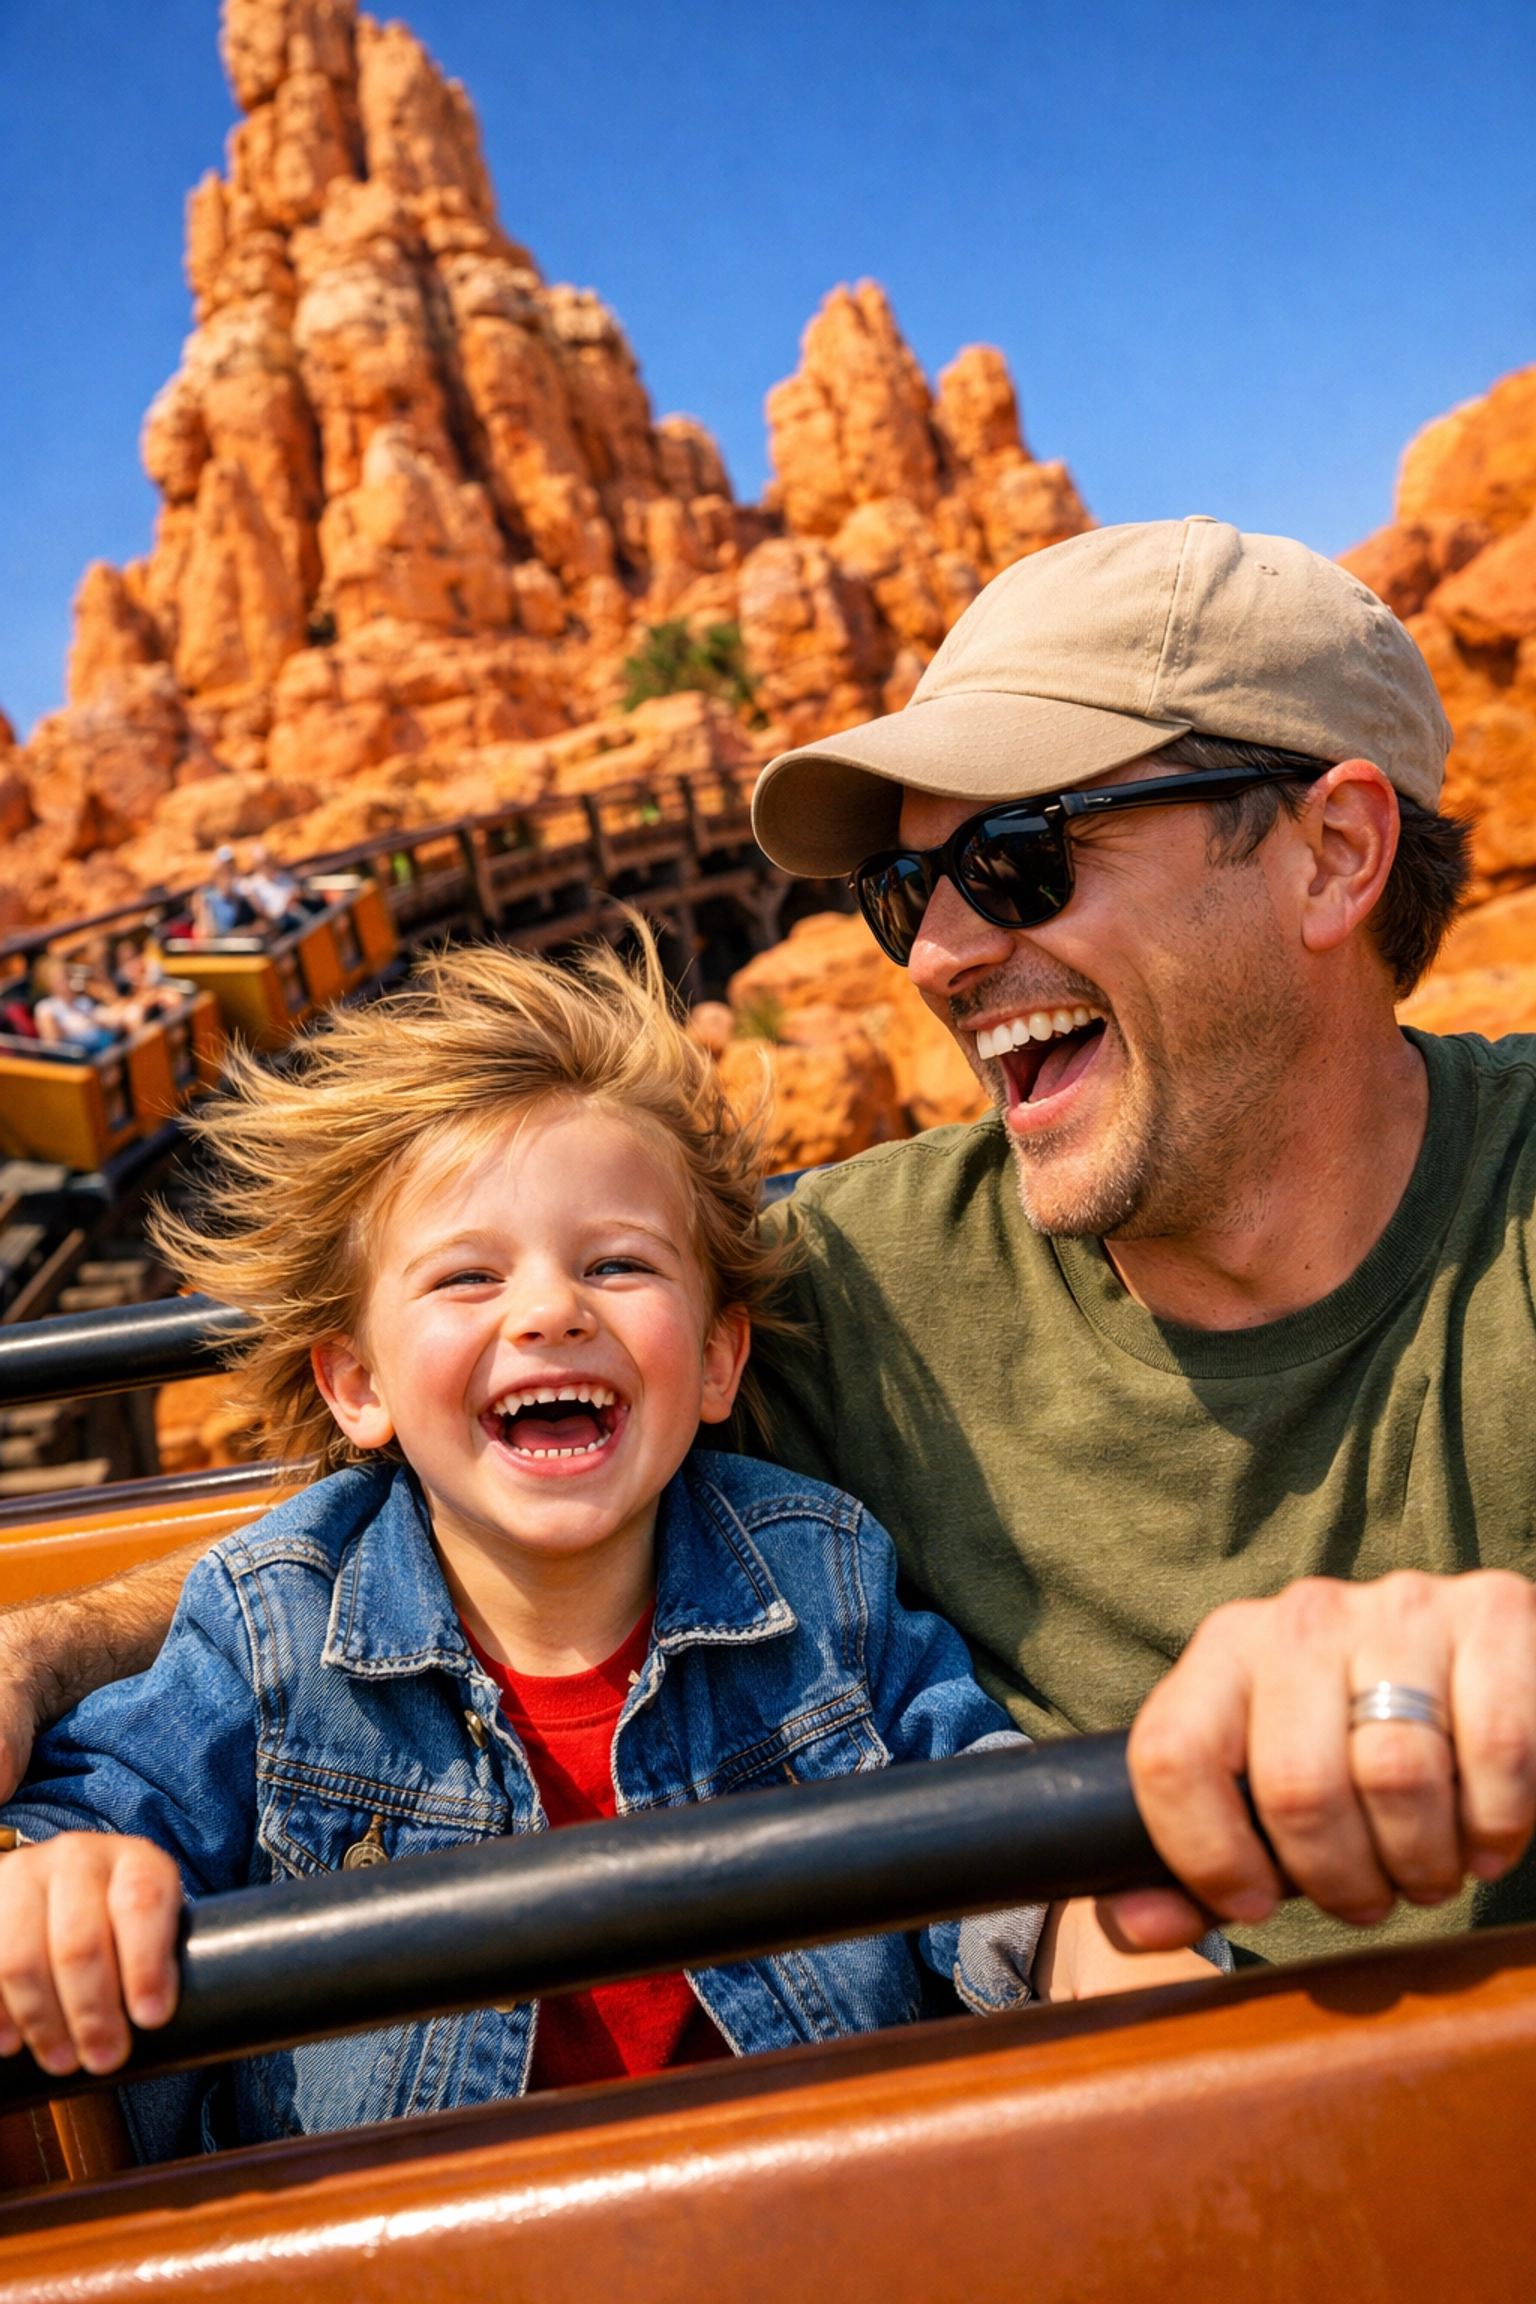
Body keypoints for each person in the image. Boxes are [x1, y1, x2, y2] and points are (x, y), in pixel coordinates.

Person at [4, 518, 1533, 1985]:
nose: (939, 954)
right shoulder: (857, 1290)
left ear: (1333, 855)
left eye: (1021, 859)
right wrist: (47, 1653)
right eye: (901, 891)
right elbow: (411, 1523)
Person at [0, 935, 1207, 2146]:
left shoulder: (817, 1576)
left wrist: (1097, 1944)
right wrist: (63, 1873)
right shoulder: (272, 1628)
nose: (550, 1310)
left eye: (617, 1263)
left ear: (721, 1357)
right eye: (467, 1278)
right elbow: (106, 1807)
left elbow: (985, 1823)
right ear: (357, 1384)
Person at [190, 849, 260, 941]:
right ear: (215, 874)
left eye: (231, 869)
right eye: (223, 871)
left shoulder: (244, 897)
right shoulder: (206, 898)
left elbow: (262, 924)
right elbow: (205, 934)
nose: (228, 875)